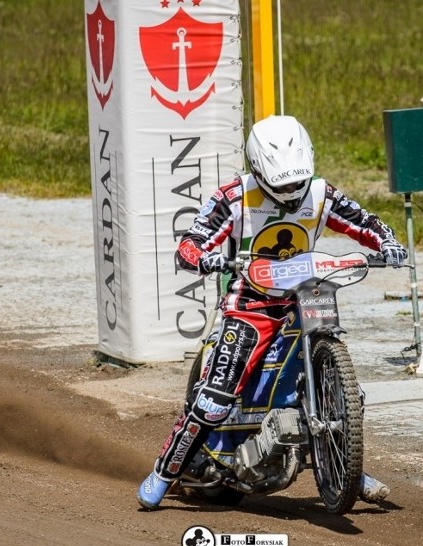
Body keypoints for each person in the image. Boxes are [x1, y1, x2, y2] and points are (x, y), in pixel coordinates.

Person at [137, 115, 407, 510]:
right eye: (283, 185)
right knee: (214, 397)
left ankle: (345, 467)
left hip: (309, 293)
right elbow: (191, 243)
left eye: (299, 182)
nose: (293, 191)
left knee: (345, 390)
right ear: (258, 172)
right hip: (251, 304)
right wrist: (206, 259)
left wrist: (388, 241)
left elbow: (363, 221)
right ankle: (165, 471)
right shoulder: (233, 197)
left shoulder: (322, 194)